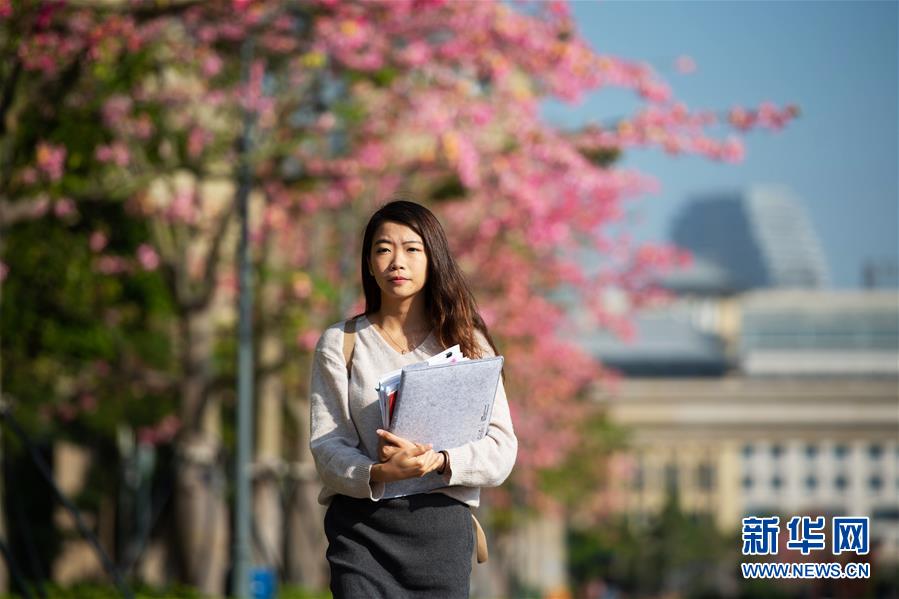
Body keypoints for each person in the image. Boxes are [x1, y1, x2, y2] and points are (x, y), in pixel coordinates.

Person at [308, 199, 518, 598]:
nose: (396, 262)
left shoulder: (468, 344)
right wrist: (380, 472)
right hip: (361, 531)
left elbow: (501, 448)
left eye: (412, 249)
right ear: (369, 263)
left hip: (440, 534)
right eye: (383, 249)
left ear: (433, 258)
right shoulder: (341, 344)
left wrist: (437, 462)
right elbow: (327, 446)